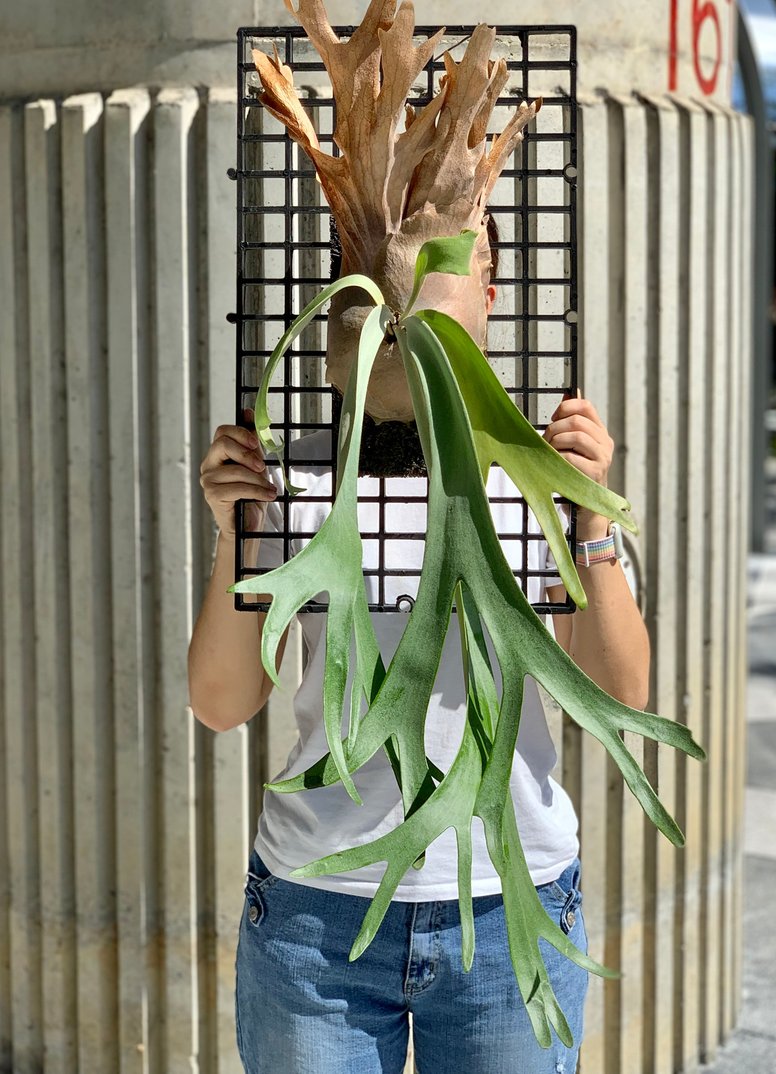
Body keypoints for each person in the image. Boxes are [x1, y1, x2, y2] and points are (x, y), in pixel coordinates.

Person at [187, 232, 651, 1074]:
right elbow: (221, 702)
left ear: (491, 288)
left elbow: (618, 690)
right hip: (315, 920)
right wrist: (235, 535)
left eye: (443, 263)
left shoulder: (540, 480)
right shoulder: (297, 481)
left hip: (509, 908)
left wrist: (589, 522)